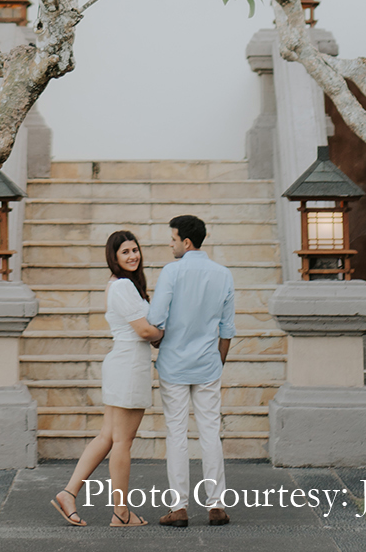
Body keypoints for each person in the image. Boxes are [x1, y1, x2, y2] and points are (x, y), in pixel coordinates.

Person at [53, 229, 164, 528]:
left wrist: (153, 333)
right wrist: (161, 334)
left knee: (107, 437)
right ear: (114, 257)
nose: (133, 255)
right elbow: (144, 330)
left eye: (135, 250)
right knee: (122, 442)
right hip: (129, 367)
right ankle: (121, 513)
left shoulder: (123, 286)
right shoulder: (123, 287)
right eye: (125, 252)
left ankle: (68, 493)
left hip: (124, 364)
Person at [148, 212, 235, 529]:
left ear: (186, 241)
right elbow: (227, 330)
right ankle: (216, 506)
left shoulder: (172, 272)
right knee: (211, 433)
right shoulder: (223, 274)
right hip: (208, 365)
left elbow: (156, 317)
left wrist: (157, 338)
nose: (170, 245)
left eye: (172, 239)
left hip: (173, 364)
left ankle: (179, 507)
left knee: (177, 434)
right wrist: (217, 361)